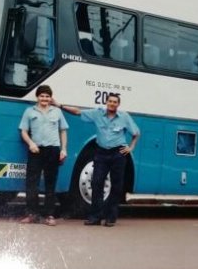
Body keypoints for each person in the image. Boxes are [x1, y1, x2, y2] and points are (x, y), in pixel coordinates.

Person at [54, 93, 140, 227]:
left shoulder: (124, 117)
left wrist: (130, 148)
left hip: (118, 154)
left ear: (118, 104)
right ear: (107, 102)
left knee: (116, 187)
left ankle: (111, 217)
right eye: (110, 101)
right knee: (96, 183)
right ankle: (95, 217)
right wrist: (59, 105)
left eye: (115, 102)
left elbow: (136, 133)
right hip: (101, 153)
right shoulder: (97, 114)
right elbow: (77, 112)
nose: (112, 104)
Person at [18, 85, 68, 226]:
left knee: (50, 183)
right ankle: (32, 214)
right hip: (36, 150)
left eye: (47, 96)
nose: (44, 98)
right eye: (42, 96)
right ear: (37, 97)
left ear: (51, 98)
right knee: (31, 183)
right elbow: (23, 131)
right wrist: (31, 143)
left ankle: (49, 215)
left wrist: (63, 149)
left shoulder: (57, 112)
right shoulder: (29, 111)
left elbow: (63, 131)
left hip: (53, 150)